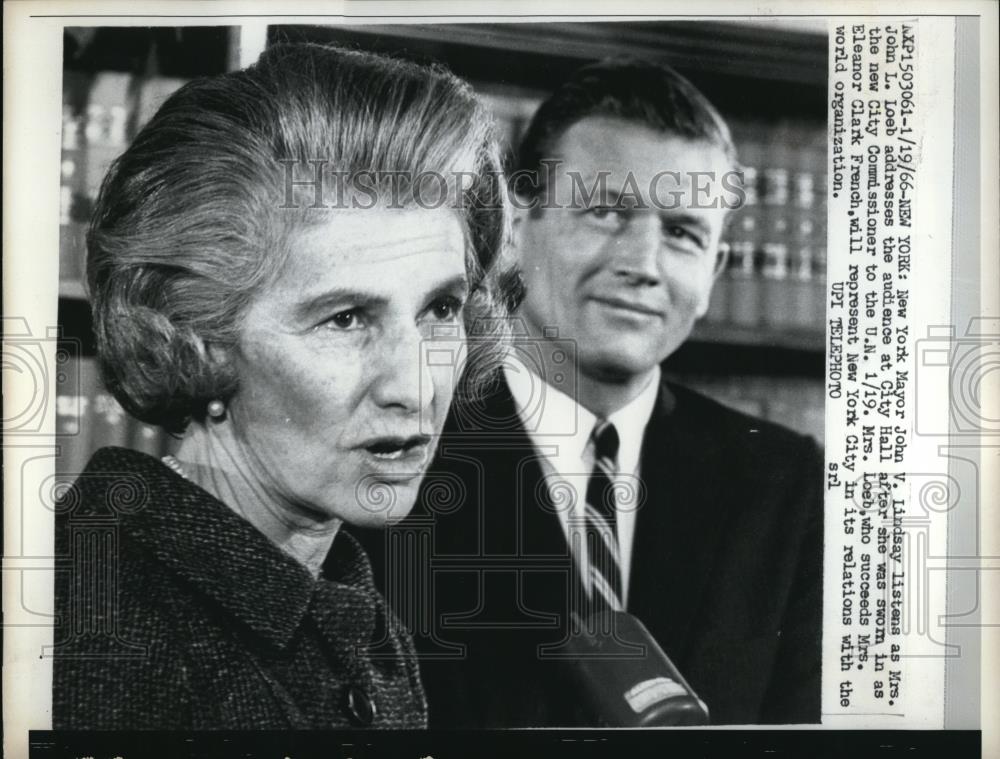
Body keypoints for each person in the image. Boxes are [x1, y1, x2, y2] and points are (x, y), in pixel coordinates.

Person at [51, 42, 514, 729]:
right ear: (196, 334)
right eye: (345, 319)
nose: (415, 388)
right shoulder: (93, 632)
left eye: (441, 309)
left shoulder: (355, 612)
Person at [362, 57, 823, 727]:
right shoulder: (401, 450)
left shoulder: (785, 485)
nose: (643, 264)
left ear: (715, 269)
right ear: (514, 230)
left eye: (682, 233)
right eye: (607, 212)